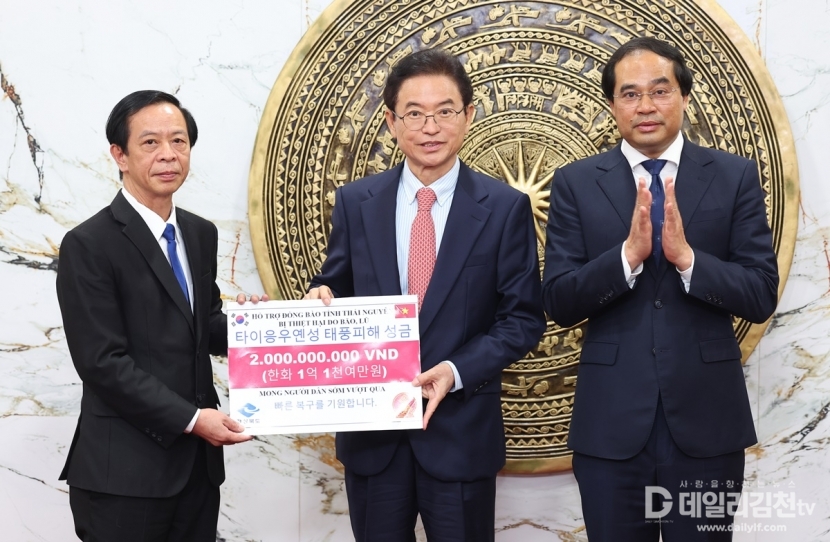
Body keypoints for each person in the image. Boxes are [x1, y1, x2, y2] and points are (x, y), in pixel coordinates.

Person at [542, 37, 779, 540]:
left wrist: (688, 260)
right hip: (610, 426)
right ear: (612, 104)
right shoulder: (576, 183)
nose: (645, 106)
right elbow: (559, 299)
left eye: (659, 90)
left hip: (707, 424)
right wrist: (626, 258)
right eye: (630, 94)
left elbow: (760, 294)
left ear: (684, 97)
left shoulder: (733, 176)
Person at [305, 49, 546, 541]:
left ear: (469, 115)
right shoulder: (356, 202)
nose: (430, 127)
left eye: (445, 111)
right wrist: (320, 296)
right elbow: (337, 283)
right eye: (414, 113)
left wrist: (455, 371)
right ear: (391, 121)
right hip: (373, 437)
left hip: (460, 434)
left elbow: (522, 319)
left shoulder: (504, 208)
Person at [56, 90, 264, 541]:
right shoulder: (88, 244)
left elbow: (204, 327)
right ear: (120, 155)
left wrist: (261, 328)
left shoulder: (199, 233)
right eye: (150, 142)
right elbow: (102, 362)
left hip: (198, 474)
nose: (168, 154)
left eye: (179, 141)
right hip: (123, 477)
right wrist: (193, 419)